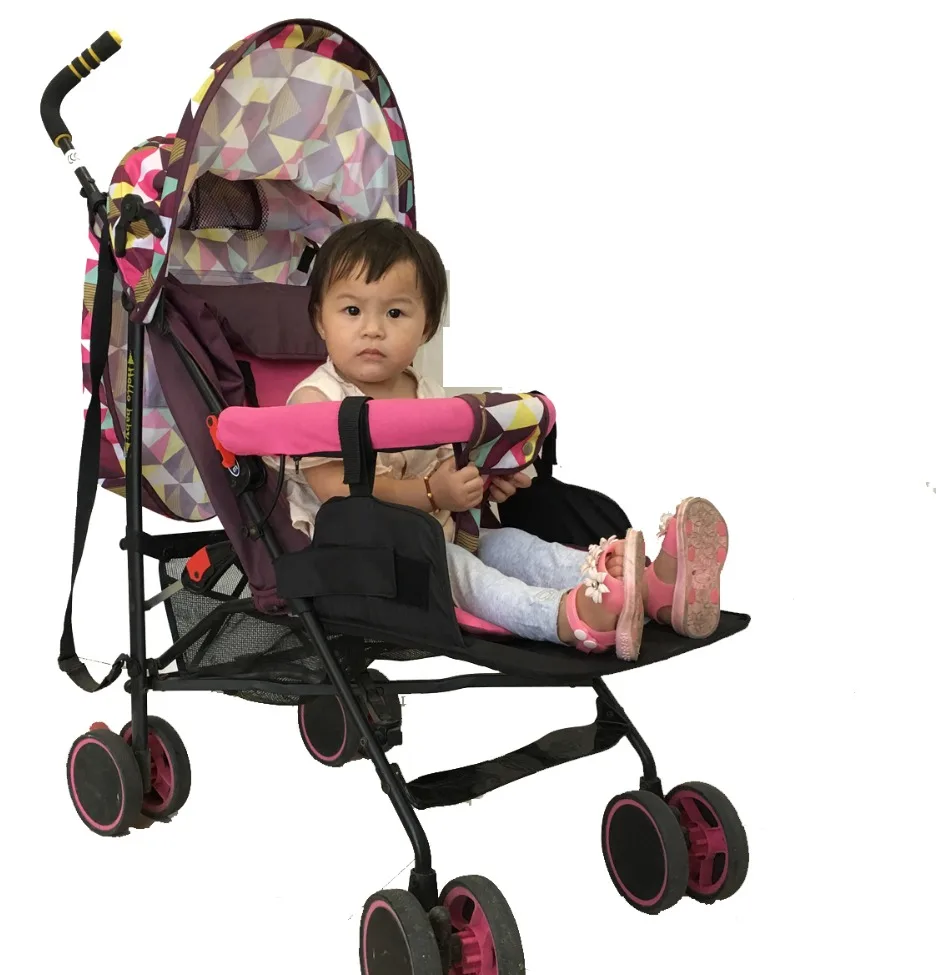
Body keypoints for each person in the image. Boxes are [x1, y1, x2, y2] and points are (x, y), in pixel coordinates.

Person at [277, 219, 728, 660]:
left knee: (517, 545)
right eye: (352, 311)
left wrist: (484, 479)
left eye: (395, 313)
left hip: (443, 532)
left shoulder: (426, 392)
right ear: (320, 320)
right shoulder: (318, 400)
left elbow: (451, 464)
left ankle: (648, 588)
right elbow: (334, 488)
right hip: (368, 560)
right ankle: (567, 619)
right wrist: (432, 492)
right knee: (471, 577)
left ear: (427, 326)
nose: (373, 328)